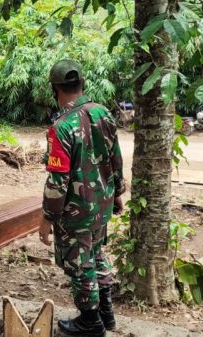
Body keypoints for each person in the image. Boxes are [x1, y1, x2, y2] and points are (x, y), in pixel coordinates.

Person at [38, 60, 125, 337]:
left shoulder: (60, 128)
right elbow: (116, 159)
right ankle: (106, 314)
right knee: (97, 254)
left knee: (81, 264)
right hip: (102, 204)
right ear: (83, 84)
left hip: (76, 212)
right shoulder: (104, 114)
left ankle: (90, 322)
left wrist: (46, 218)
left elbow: (57, 181)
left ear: (55, 89)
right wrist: (117, 194)